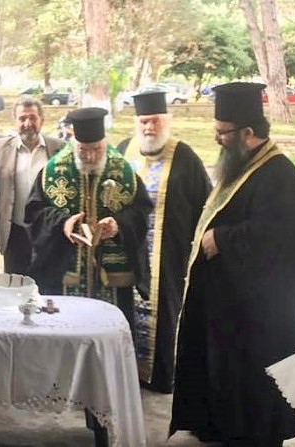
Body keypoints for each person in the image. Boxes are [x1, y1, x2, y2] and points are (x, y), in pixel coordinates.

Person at [169, 82, 295, 445]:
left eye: (223, 133)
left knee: (247, 383)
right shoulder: (243, 165)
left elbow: (275, 237)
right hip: (229, 304)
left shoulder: (279, 175)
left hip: (259, 315)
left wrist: (222, 238)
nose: (217, 139)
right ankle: (214, 424)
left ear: (248, 132)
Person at [115, 91, 212, 394]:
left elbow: (205, 205)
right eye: (144, 121)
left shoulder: (185, 156)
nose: (149, 127)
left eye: (155, 121)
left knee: (166, 315)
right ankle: (125, 374)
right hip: (127, 252)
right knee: (125, 311)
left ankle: (159, 377)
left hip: (168, 254)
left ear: (166, 121)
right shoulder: (123, 151)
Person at [25, 107, 151, 329]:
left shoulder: (123, 171)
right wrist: (63, 223)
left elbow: (140, 213)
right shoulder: (53, 171)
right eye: (83, 150)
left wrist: (118, 226)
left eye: (97, 149)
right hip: (64, 273)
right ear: (75, 143)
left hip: (112, 280)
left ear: (105, 143)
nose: (91, 156)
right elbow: (35, 214)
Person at [0, 96, 65, 275]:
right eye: (22, 118)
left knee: (47, 282)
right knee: (15, 284)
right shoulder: (0, 149)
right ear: (15, 121)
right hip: (14, 231)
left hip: (48, 231)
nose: (27, 123)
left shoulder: (59, 149)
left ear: (42, 120)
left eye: (32, 117)